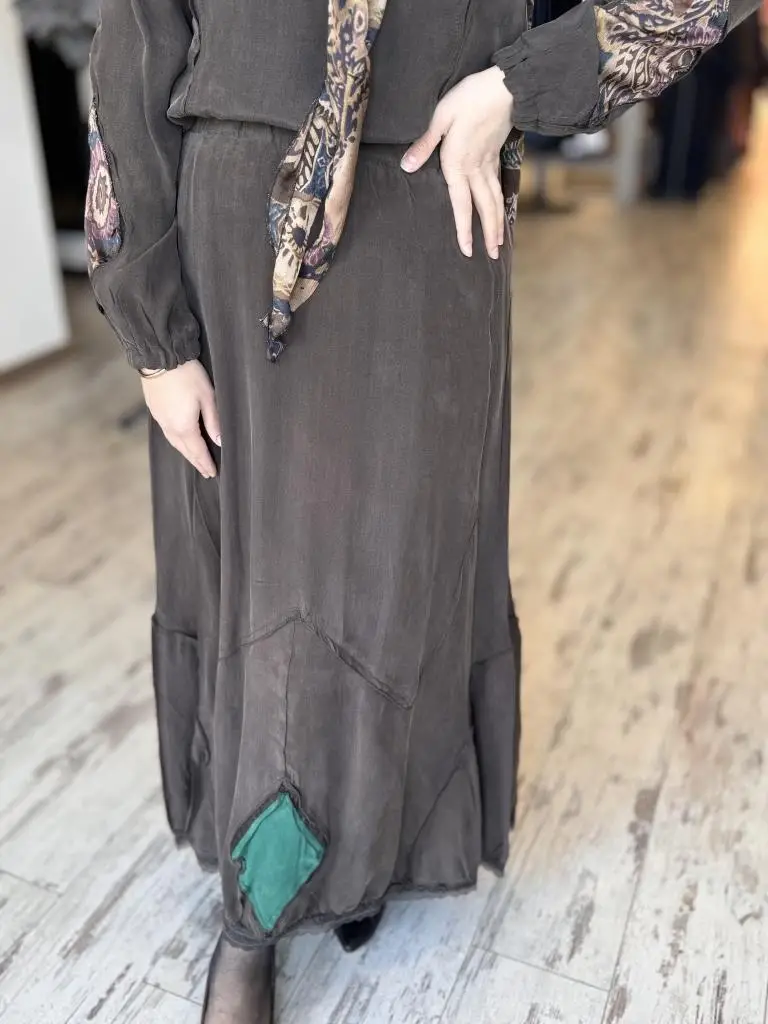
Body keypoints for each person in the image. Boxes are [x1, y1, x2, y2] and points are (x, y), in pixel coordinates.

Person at [86, 0, 760, 1019]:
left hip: (429, 206)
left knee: (402, 571)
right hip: (234, 216)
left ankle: (371, 844)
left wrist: (521, 84)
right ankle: (256, 914)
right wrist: (153, 329)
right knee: (261, 583)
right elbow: (137, 31)